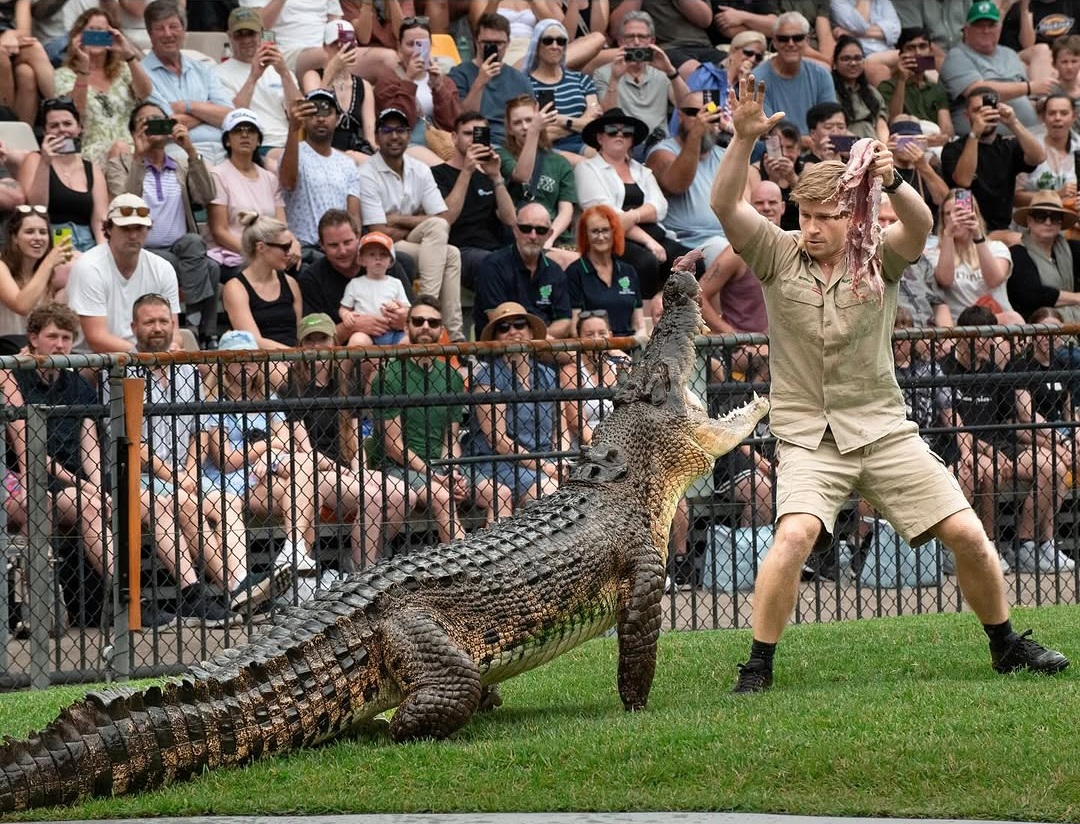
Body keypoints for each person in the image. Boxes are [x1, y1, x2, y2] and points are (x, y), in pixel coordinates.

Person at [710, 74, 1068, 692]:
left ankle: (1006, 643)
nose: (813, 228)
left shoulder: (881, 256)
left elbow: (920, 223)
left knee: (969, 535)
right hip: (806, 436)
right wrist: (741, 142)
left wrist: (894, 179)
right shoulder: (775, 254)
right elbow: (725, 207)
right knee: (793, 535)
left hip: (882, 427)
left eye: (826, 217)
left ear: (851, 218)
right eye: (805, 215)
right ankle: (758, 665)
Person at [127, 293, 261, 621]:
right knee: (183, 505)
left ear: (174, 324)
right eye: (149, 322)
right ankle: (235, 590)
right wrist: (175, 476)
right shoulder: (123, 371)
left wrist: (190, 469)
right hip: (140, 475)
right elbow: (130, 440)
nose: (158, 328)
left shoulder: (187, 371)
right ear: (134, 327)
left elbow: (200, 429)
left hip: (184, 474)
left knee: (227, 502)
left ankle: (241, 587)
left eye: (164, 321)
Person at [940, 303, 1075, 574]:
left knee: (1053, 467)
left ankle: (1025, 544)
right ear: (968, 337)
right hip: (962, 448)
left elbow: (1010, 421)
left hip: (1000, 446)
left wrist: (1053, 443)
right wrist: (988, 451)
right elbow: (955, 428)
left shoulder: (991, 370)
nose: (991, 342)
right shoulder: (945, 369)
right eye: (985, 337)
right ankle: (986, 545)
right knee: (988, 472)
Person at [371, 296, 510, 544]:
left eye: (433, 322)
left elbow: (450, 437)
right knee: (443, 497)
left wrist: (453, 470)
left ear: (441, 331)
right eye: (419, 320)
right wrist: (436, 477)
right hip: (398, 468)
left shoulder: (451, 377)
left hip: (440, 467)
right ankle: (466, 566)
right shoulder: (389, 375)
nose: (426, 326)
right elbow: (394, 446)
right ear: (407, 327)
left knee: (501, 493)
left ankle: (495, 558)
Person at [281, 312, 414, 568]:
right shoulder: (292, 383)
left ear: (333, 342)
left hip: (345, 466)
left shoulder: (344, 380)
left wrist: (359, 470)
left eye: (322, 339)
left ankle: (363, 552)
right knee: (373, 497)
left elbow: (353, 435)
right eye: (310, 340)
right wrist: (341, 472)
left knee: (403, 495)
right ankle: (364, 570)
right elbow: (303, 445)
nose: (316, 347)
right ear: (301, 345)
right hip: (315, 470)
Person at [201, 328, 320, 600]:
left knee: (303, 472)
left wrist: (269, 456)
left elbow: (286, 442)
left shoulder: (268, 398)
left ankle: (294, 553)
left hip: (264, 477)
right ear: (223, 363)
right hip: (229, 484)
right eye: (238, 358)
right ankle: (294, 566)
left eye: (252, 358)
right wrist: (266, 448)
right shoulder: (214, 401)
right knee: (303, 487)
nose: (246, 365)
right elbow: (226, 460)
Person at [106, 100, 220, 347]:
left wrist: (190, 151)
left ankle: (203, 330)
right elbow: (124, 203)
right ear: (135, 131)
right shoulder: (121, 164)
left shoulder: (179, 164)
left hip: (181, 246)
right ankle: (198, 327)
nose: (154, 126)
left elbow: (206, 195)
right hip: (144, 248)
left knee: (199, 248)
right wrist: (138, 157)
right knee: (206, 267)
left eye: (159, 120)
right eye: (146, 122)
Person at [12, 303, 110, 587]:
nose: (60, 345)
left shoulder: (76, 381)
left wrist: (99, 485)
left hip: (76, 481)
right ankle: (125, 597)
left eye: (66, 338)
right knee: (88, 504)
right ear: (33, 338)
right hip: (34, 479)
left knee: (138, 502)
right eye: (52, 337)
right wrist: (87, 487)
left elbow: (89, 444)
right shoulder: (15, 377)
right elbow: (32, 450)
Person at [356, 105, 464, 342]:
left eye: (401, 130)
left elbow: (443, 218)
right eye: (387, 130)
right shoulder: (367, 173)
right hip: (387, 248)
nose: (394, 136)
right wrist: (416, 222)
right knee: (450, 251)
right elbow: (379, 233)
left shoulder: (420, 169)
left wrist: (396, 219)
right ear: (376, 136)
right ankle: (429, 313)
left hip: (415, 241)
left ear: (408, 134)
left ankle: (454, 337)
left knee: (446, 242)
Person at [575, 107, 690, 305]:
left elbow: (660, 206)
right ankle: (645, 325)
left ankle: (687, 318)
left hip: (655, 232)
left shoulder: (642, 171)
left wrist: (633, 216)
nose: (620, 134)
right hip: (610, 238)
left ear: (632, 140)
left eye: (626, 131)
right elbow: (606, 216)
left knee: (691, 262)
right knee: (646, 263)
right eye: (612, 130)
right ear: (600, 138)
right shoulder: (586, 169)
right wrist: (648, 241)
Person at [462, 301, 563, 506]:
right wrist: (544, 467)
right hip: (498, 462)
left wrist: (562, 461)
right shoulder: (488, 379)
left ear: (530, 330)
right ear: (496, 337)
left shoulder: (547, 374)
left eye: (519, 324)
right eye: (503, 327)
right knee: (550, 492)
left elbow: (559, 429)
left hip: (546, 459)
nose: (512, 331)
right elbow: (497, 441)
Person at [66, 192, 183, 353]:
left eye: (140, 228)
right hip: (95, 360)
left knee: (210, 369)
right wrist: (144, 355)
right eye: (125, 228)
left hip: (151, 355)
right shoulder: (88, 267)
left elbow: (174, 332)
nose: (133, 235)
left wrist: (173, 347)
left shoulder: (163, 268)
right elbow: (96, 338)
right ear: (109, 228)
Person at [941, 86, 1044, 239]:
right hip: (965, 228)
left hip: (1001, 228)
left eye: (989, 108)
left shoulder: (1008, 146)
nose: (984, 114)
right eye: (977, 110)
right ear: (966, 115)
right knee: (1016, 240)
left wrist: (1013, 122)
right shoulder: (953, 149)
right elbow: (964, 180)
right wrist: (975, 133)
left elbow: (1039, 157)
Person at [297, 208, 414, 343]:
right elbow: (312, 341)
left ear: (358, 237)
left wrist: (406, 319)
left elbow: (417, 312)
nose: (342, 251)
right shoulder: (312, 278)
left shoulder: (386, 264)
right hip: (345, 354)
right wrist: (351, 327)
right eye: (333, 245)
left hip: (395, 338)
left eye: (347, 242)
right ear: (321, 245)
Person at [940, 0, 1054, 138]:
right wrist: (1029, 87)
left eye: (991, 25)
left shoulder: (1010, 54)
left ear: (999, 27)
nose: (986, 30)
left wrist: (1039, 102)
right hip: (984, 142)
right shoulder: (956, 56)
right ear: (967, 29)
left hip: (1030, 136)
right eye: (979, 25)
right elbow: (978, 92)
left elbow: (1026, 98)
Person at [54, 7, 151, 168]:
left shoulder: (124, 69)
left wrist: (129, 54)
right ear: (79, 36)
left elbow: (145, 92)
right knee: (120, 149)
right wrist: (84, 66)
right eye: (91, 32)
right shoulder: (63, 75)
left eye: (102, 32)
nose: (96, 37)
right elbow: (76, 110)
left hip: (133, 149)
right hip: (90, 153)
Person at [431, 111, 516, 294]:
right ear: (454, 137)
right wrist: (467, 171)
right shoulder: (436, 174)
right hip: (460, 250)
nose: (473, 140)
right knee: (493, 263)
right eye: (468, 133)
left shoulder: (488, 176)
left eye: (479, 134)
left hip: (495, 248)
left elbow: (510, 219)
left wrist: (496, 176)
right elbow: (446, 218)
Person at [207, 109, 293, 286]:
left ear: (258, 140)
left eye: (251, 131)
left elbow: (281, 226)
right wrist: (257, 253)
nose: (245, 135)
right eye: (238, 130)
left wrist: (291, 245)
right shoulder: (218, 175)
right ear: (227, 140)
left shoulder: (270, 178)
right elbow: (220, 231)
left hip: (272, 253)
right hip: (235, 256)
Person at [140, 0, 233, 164]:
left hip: (223, 147)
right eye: (160, 28)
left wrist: (187, 106)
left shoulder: (203, 68)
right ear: (150, 34)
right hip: (177, 150)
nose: (168, 34)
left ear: (184, 30)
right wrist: (207, 112)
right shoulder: (141, 74)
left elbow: (229, 116)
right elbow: (164, 126)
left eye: (173, 26)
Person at [646, 92, 730, 266]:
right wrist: (695, 136)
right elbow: (677, 184)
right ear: (680, 116)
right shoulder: (662, 152)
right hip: (687, 243)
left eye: (708, 112)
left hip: (727, 239)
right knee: (727, 253)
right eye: (693, 112)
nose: (701, 118)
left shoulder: (724, 156)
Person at [496, 94, 578, 269]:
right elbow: (521, 175)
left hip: (554, 236)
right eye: (518, 123)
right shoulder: (502, 155)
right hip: (524, 236)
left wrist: (550, 237)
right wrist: (534, 131)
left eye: (529, 120)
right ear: (509, 129)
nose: (525, 127)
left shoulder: (559, 162)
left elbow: (566, 209)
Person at [279, 90, 362, 256]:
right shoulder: (292, 152)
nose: (320, 118)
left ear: (338, 119)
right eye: (313, 113)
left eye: (327, 112)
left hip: (341, 249)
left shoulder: (347, 163)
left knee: (400, 260)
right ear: (304, 119)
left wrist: (355, 248)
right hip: (305, 247)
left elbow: (354, 217)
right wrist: (293, 130)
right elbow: (287, 183)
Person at [214, 6, 300, 163]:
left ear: (261, 33)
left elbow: (299, 112)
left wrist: (284, 73)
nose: (246, 40)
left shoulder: (279, 69)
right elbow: (232, 117)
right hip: (258, 144)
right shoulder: (218, 73)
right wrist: (253, 77)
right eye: (239, 34)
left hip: (291, 141)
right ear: (229, 37)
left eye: (251, 33)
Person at [592, 10, 691, 145]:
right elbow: (608, 117)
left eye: (642, 37)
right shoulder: (603, 73)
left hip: (660, 143)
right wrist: (614, 79)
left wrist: (671, 71)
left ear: (652, 41)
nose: (637, 42)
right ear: (621, 41)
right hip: (627, 142)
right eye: (630, 37)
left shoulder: (662, 72)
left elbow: (687, 106)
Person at [473, 202, 571, 338]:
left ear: (549, 235)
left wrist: (536, 338)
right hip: (501, 350)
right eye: (526, 228)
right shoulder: (493, 266)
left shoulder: (555, 271)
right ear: (515, 230)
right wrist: (537, 337)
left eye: (541, 230)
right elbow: (499, 321)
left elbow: (564, 322)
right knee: (574, 357)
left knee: (577, 358)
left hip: (546, 348)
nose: (533, 236)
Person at [370, 15, 460, 162]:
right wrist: (408, 80)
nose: (416, 51)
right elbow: (396, 123)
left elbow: (453, 123)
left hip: (441, 143)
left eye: (422, 45)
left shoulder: (444, 80)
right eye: (410, 44)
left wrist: (439, 89)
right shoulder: (388, 80)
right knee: (443, 169)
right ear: (399, 48)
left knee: (478, 168)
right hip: (405, 144)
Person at [24, 98, 107, 253]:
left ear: (79, 128)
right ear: (45, 131)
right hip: (49, 242)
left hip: (88, 242)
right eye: (54, 126)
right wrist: (45, 162)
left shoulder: (92, 168)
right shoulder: (35, 160)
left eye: (68, 124)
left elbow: (100, 220)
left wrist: (103, 255)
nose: (62, 129)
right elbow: (37, 209)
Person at [926, 188, 1013, 320]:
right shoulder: (934, 253)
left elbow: (994, 280)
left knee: (1014, 318)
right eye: (948, 214)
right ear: (943, 220)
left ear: (975, 214)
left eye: (960, 212)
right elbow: (945, 280)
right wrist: (948, 236)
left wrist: (977, 236)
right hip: (962, 325)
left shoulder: (997, 248)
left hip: (997, 321)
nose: (955, 218)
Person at [449, 13, 533, 147]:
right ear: (476, 41)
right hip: (479, 141)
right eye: (487, 43)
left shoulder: (519, 79)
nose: (493, 47)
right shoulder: (459, 74)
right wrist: (480, 82)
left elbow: (531, 120)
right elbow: (460, 118)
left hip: (515, 143)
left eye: (499, 43)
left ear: (508, 43)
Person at [222, 212, 302, 349]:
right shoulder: (235, 288)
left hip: (295, 359)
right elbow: (253, 341)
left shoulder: (291, 283)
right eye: (285, 247)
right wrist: (295, 356)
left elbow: (299, 334)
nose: (290, 253)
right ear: (261, 247)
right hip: (259, 362)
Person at [302, 20, 379, 162]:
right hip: (322, 147)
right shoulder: (313, 76)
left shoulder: (364, 86)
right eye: (334, 44)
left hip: (356, 151)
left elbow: (370, 138)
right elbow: (317, 111)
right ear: (325, 47)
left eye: (346, 43)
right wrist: (331, 71)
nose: (340, 48)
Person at [565, 205, 645, 340]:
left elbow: (639, 325)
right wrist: (612, 350)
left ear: (614, 232)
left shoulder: (628, 272)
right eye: (595, 231)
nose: (601, 237)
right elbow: (574, 329)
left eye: (606, 230)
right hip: (594, 350)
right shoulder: (575, 272)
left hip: (630, 350)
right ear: (586, 235)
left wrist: (634, 345)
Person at [0, 206, 73, 353]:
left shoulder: (45, 272)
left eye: (43, 232)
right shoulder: (1, 266)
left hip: (32, 352)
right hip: (4, 352)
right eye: (29, 232)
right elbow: (21, 306)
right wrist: (49, 262)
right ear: (14, 238)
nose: (38, 238)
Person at [523, 18, 600, 159]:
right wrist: (579, 124)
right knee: (586, 164)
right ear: (536, 45)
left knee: (605, 159)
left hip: (584, 144)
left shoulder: (582, 80)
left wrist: (560, 120)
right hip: (543, 149)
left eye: (561, 41)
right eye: (547, 41)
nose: (555, 46)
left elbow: (594, 125)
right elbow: (534, 133)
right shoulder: (524, 83)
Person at [558, 307, 632, 448]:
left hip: (624, 443)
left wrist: (613, 348)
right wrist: (603, 449)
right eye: (589, 335)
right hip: (589, 447)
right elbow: (576, 424)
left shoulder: (619, 368)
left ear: (610, 336)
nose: (597, 339)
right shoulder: (571, 372)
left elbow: (639, 369)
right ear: (579, 339)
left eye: (602, 333)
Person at [751, 11, 837, 133]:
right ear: (774, 42)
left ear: (807, 41)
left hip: (819, 147)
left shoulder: (821, 75)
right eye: (783, 39)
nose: (791, 44)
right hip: (776, 147)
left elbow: (831, 121)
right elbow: (767, 128)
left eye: (798, 38)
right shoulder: (758, 79)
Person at [876, 194, 952, 328]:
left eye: (893, 221)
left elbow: (939, 303)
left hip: (930, 337)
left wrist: (948, 337)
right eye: (881, 219)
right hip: (894, 338)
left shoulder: (920, 260)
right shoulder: (862, 262)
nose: (887, 226)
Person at [1007, 191, 1080, 322]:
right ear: (1029, 221)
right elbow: (1032, 294)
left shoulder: (1072, 248)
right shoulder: (1017, 254)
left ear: (1060, 223)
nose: (1048, 222)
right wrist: (1076, 298)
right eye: (1041, 216)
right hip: (1039, 329)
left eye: (1055, 217)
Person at [877, 26, 954, 147]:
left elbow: (947, 131)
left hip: (935, 145)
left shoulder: (936, 88)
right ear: (901, 54)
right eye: (911, 48)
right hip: (903, 144)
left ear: (929, 51)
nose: (918, 53)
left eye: (923, 46)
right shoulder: (887, 87)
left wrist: (941, 139)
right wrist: (902, 79)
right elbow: (893, 121)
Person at [339, 230, 409, 346]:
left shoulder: (396, 283)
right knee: (357, 340)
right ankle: (344, 365)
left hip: (394, 332)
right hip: (366, 334)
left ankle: (397, 364)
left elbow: (406, 309)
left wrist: (397, 307)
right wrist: (346, 315)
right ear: (362, 260)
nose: (378, 258)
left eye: (383, 254)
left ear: (390, 261)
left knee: (408, 340)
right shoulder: (355, 284)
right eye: (372, 254)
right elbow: (344, 308)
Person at [1014, 93, 1080, 209]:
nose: (1058, 118)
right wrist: (1055, 194)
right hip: (1033, 221)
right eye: (1052, 113)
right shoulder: (1029, 147)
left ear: (1074, 116)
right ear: (1043, 117)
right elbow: (1015, 197)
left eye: (1064, 113)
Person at [0, 0, 54, 124]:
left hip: (10, 45)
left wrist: (10, 34)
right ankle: (6, 125)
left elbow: (24, 32)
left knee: (27, 69)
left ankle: (65, 110)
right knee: (2, 58)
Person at [831, 35, 888, 143]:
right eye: (846, 59)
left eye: (858, 58)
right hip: (845, 147)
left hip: (874, 147)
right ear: (834, 64)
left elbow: (881, 124)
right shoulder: (829, 92)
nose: (853, 63)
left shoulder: (872, 92)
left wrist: (883, 146)